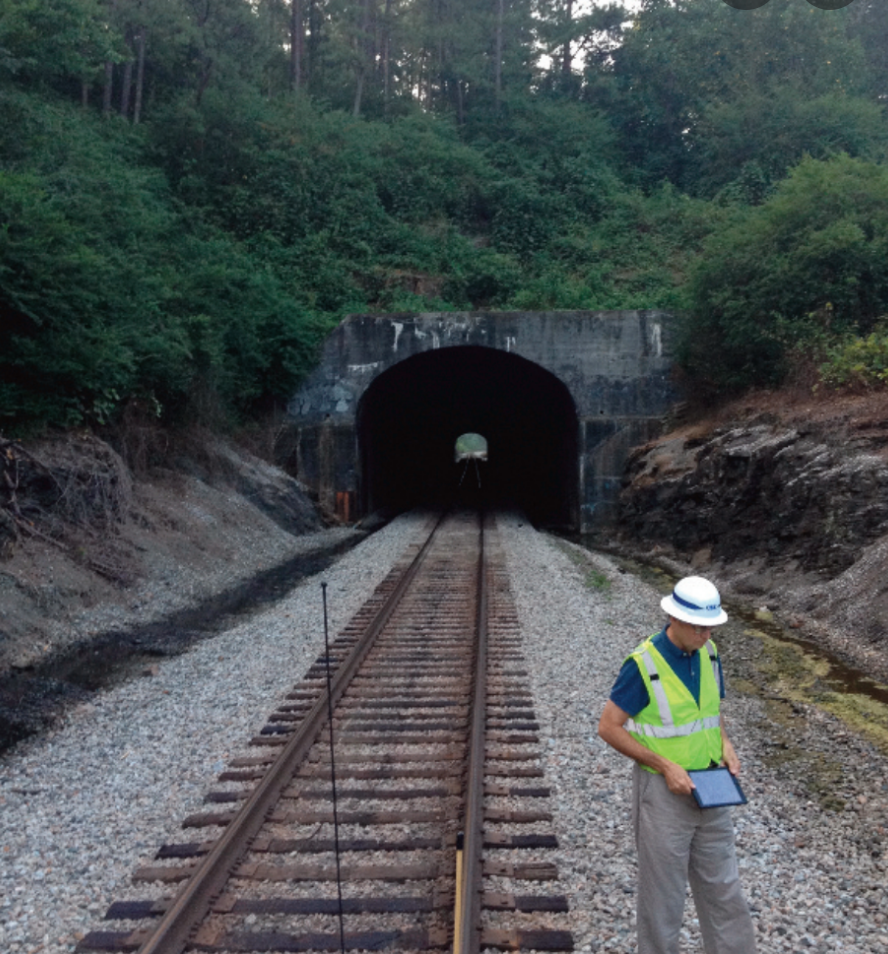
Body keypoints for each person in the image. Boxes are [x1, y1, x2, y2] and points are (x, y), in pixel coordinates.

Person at [597, 575, 757, 954]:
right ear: (676, 620)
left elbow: (710, 710)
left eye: (711, 627)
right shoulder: (643, 665)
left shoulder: (710, 653)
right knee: (662, 899)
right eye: (701, 628)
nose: (707, 635)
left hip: (712, 789)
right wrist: (665, 766)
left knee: (724, 889)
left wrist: (726, 743)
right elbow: (608, 727)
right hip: (664, 797)